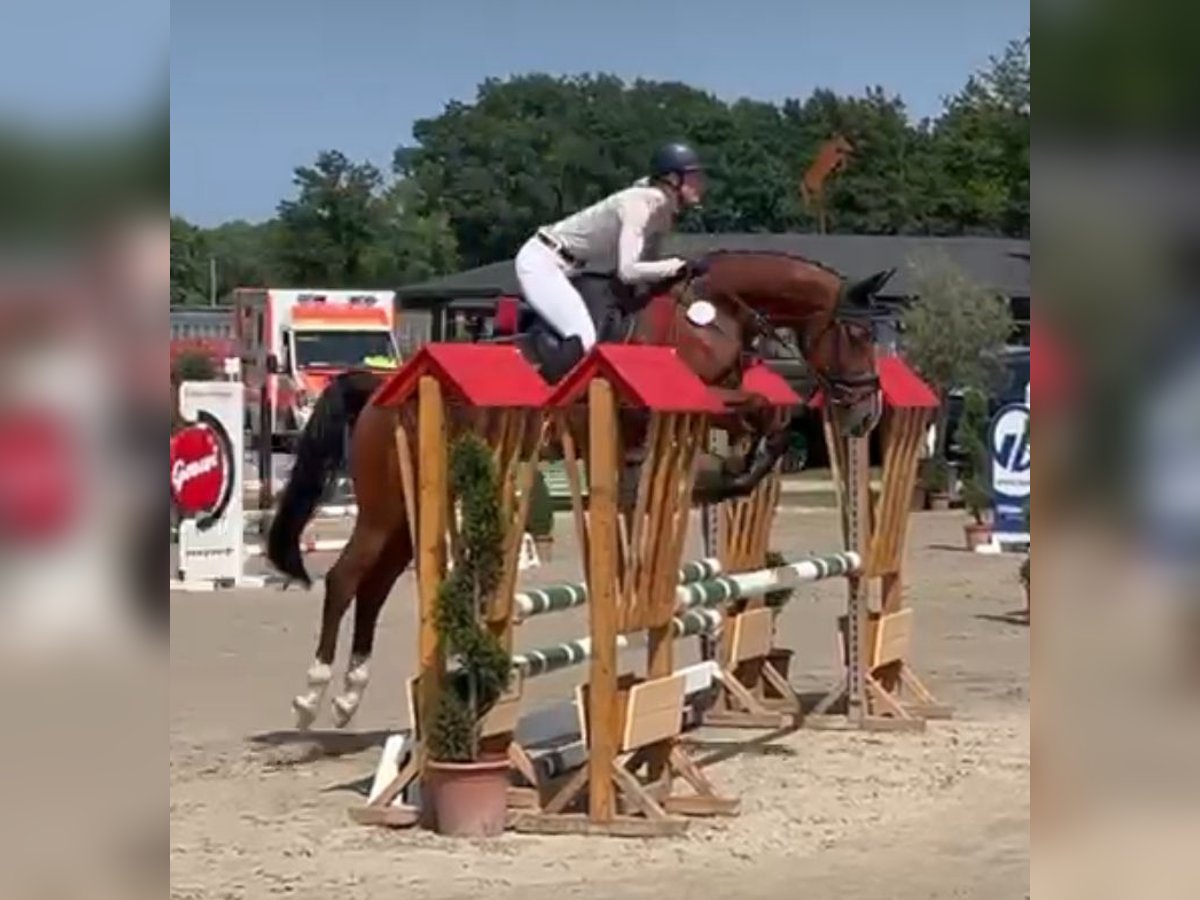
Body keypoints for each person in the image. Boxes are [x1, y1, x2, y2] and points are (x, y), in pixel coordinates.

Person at [514, 141, 706, 377]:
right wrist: (678, 265)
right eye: (694, 178)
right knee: (583, 337)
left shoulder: (663, 213)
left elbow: (645, 266)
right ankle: (542, 401)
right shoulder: (639, 204)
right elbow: (628, 270)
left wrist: (680, 271)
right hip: (542, 261)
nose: (700, 185)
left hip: (572, 268)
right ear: (672, 179)